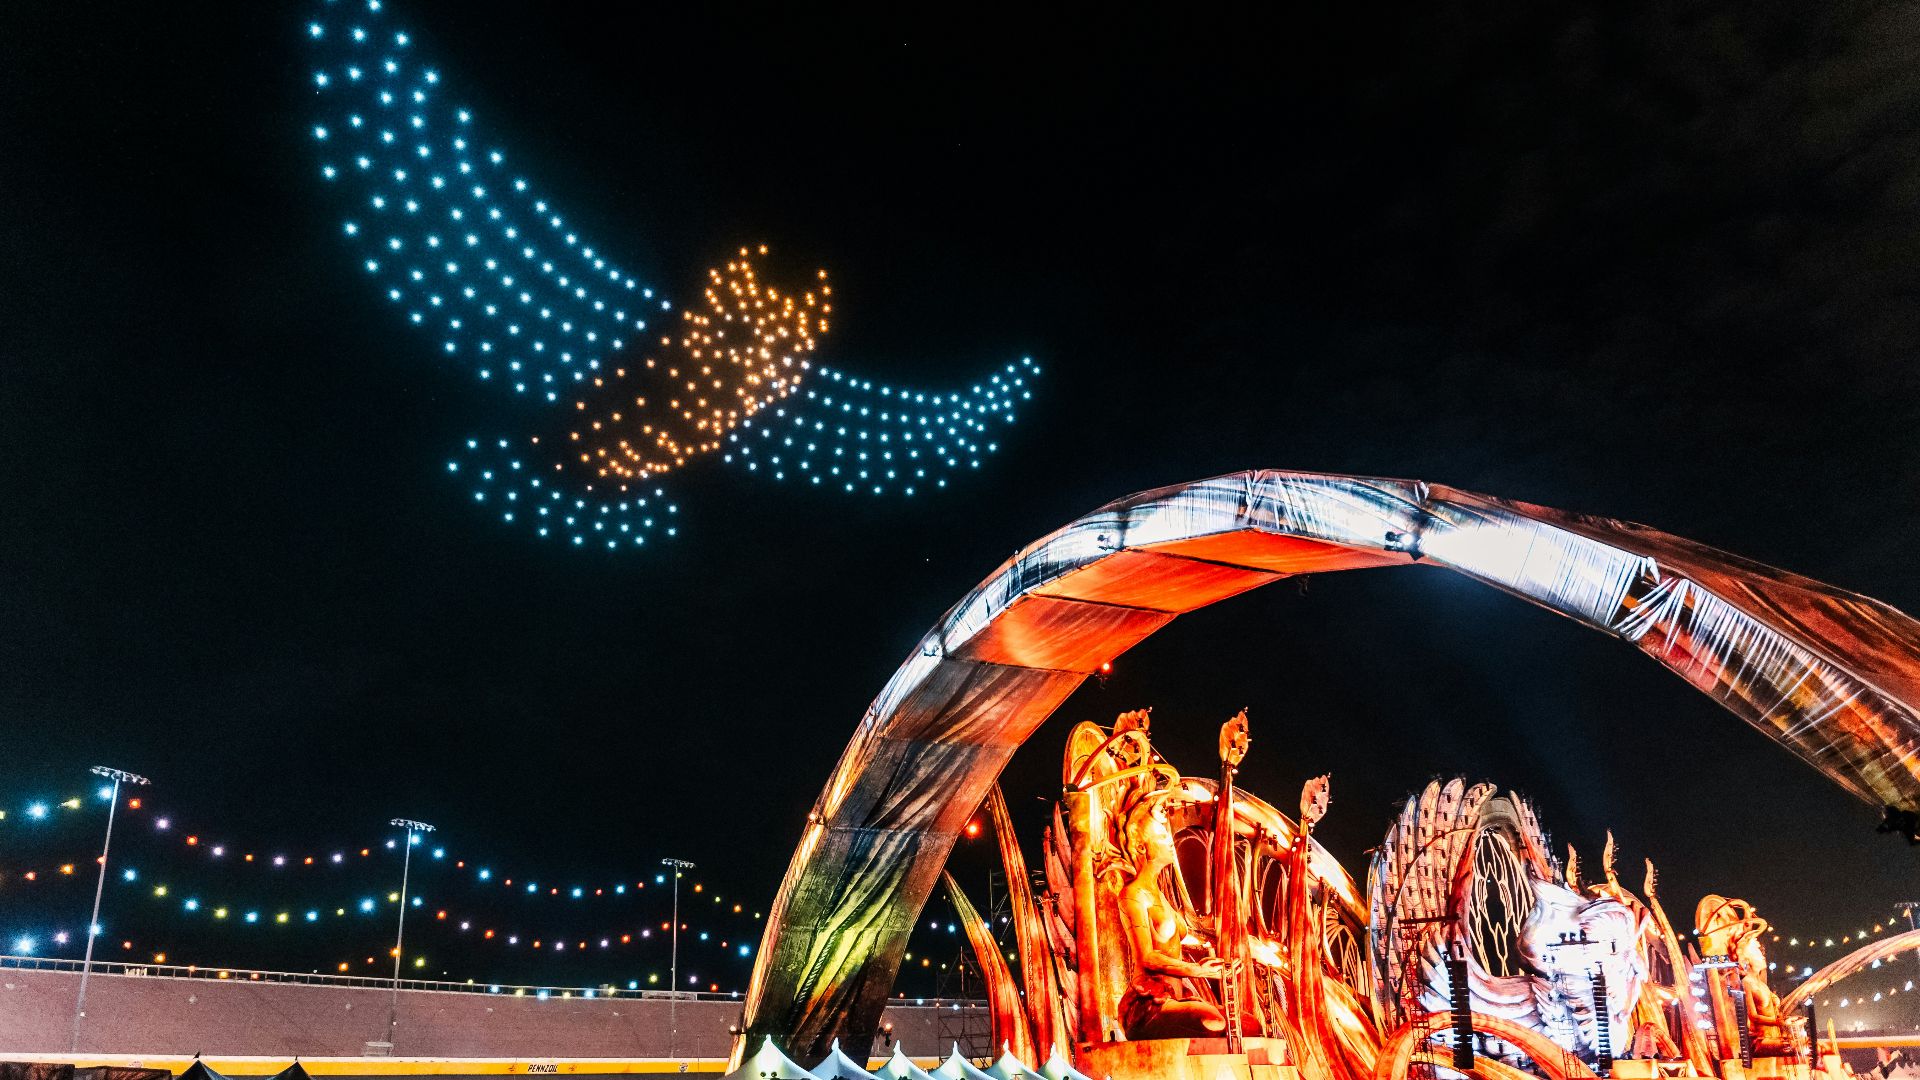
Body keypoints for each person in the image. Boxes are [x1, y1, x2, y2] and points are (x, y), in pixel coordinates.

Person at [1116, 792, 1228, 1040]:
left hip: (1178, 997)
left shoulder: (1162, 895)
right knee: (1213, 1021)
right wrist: (1198, 972)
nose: (1168, 838)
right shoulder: (1132, 895)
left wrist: (1203, 964)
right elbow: (1148, 958)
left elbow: (1175, 946)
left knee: (1250, 1025)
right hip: (1148, 1005)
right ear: (1141, 846)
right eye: (1160, 835)